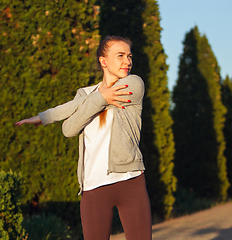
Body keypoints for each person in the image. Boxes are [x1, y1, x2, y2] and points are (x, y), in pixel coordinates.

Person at [15, 35, 152, 240]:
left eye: (129, 56)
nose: (128, 61)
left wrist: (93, 101)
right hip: (93, 186)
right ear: (104, 61)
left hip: (130, 180)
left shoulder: (134, 84)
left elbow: (78, 108)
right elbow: (68, 129)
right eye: (120, 55)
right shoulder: (84, 94)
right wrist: (45, 117)